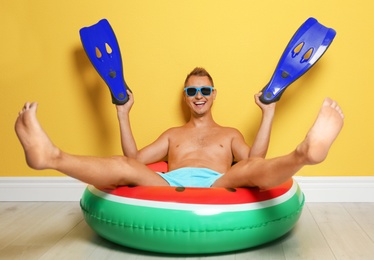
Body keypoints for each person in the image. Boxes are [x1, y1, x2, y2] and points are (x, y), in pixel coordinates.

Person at [15, 67, 344, 190]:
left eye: (204, 90)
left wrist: (268, 112)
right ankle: (52, 157)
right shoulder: (173, 135)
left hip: (219, 183)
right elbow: (134, 161)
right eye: (191, 91)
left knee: (253, 169)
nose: (198, 96)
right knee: (120, 164)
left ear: (213, 95)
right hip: (168, 183)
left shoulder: (229, 134)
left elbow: (252, 163)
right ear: (185, 97)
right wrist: (123, 113)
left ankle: (305, 153)